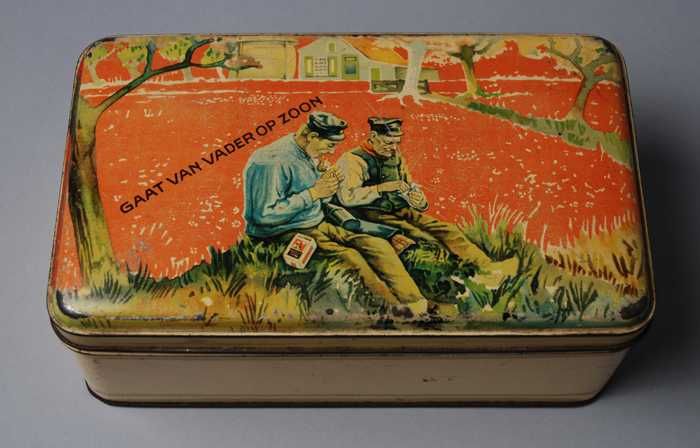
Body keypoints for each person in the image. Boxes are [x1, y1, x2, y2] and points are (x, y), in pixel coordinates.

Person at [243, 111, 427, 314]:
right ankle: (395, 311)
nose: (331, 152)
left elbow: (316, 199)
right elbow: (262, 215)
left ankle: (416, 303)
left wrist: (326, 183)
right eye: (330, 145)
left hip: (314, 221)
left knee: (377, 245)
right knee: (351, 257)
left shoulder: (307, 151)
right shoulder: (271, 161)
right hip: (281, 230)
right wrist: (314, 193)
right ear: (312, 136)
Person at [334, 117, 517, 285]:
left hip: (399, 209)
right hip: (370, 214)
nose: (394, 148)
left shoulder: (395, 156)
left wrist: (418, 200)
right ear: (373, 136)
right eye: (389, 142)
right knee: (424, 238)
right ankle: (471, 278)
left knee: (447, 230)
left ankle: (488, 267)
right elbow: (348, 198)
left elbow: (409, 184)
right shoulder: (353, 160)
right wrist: (381, 188)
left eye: (397, 142)